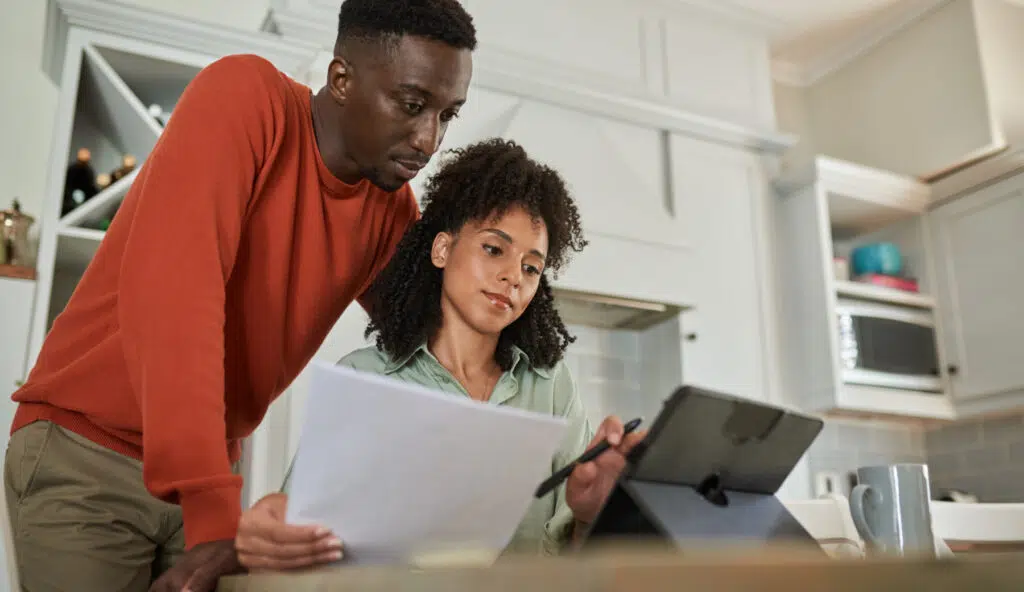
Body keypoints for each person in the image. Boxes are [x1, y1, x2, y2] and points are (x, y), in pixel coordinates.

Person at [3, 1, 476, 590]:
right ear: (342, 79)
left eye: (447, 114)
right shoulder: (245, 98)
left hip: (212, 477)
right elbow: (177, 299)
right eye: (411, 105)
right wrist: (212, 511)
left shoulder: (391, 211)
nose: (429, 138)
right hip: (88, 454)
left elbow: (445, 353)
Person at [232, 138, 648, 570]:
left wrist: (589, 517)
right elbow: (299, 542)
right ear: (442, 249)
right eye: (493, 249)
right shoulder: (367, 379)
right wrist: (272, 528)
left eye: (531, 267)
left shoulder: (552, 386)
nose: (513, 277)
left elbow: (573, 568)